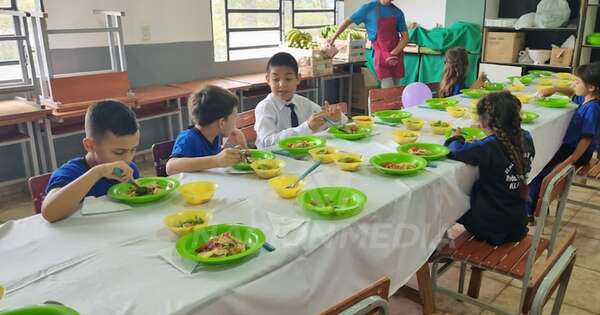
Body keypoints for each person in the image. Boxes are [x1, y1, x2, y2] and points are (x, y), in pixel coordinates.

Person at [445, 92, 535, 245]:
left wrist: (456, 137)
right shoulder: (526, 137)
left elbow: (454, 151)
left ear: (487, 121)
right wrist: (482, 143)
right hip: (517, 223)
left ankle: (437, 247)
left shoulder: (491, 146)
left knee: (448, 198)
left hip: (491, 227)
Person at [42, 100, 141, 222]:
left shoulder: (130, 170)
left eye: (133, 150)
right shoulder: (71, 173)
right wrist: (98, 172)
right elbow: (49, 213)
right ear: (90, 145)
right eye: (118, 152)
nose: (127, 159)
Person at [528, 62, 600, 215]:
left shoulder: (592, 108)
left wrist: (571, 159)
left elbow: (586, 139)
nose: (574, 84)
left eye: (578, 82)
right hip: (572, 148)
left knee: (538, 170)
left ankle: (530, 212)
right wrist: (554, 89)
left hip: (577, 152)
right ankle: (535, 207)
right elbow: (572, 92)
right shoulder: (587, 98)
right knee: (543, 157)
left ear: (592, 87)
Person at [254, 52, 346, 149]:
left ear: (298, 79)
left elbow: (327, 124)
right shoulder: (265, 108)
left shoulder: (303, 103)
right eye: (275, 79)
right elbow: (265, 143)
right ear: (268, 80)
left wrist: (336, 119)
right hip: (275, 160)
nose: (282, 84)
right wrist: (307, 128)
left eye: (288, 79)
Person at [166, 85, 247, 175]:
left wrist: (241, 147)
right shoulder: (188, 138)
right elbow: (170, 167)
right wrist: (216, 160)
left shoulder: (216, 135)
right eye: (235, 116)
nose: (237, 118)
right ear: (222, 123)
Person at [329, 0, 408, 88]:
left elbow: (405, 37)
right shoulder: (369, 8)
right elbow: (347, 21)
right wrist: (333, 37)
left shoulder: (398, 12)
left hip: (396, 54)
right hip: (381, 55)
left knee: (396, 87)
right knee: (388, 87)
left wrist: (394, 53)